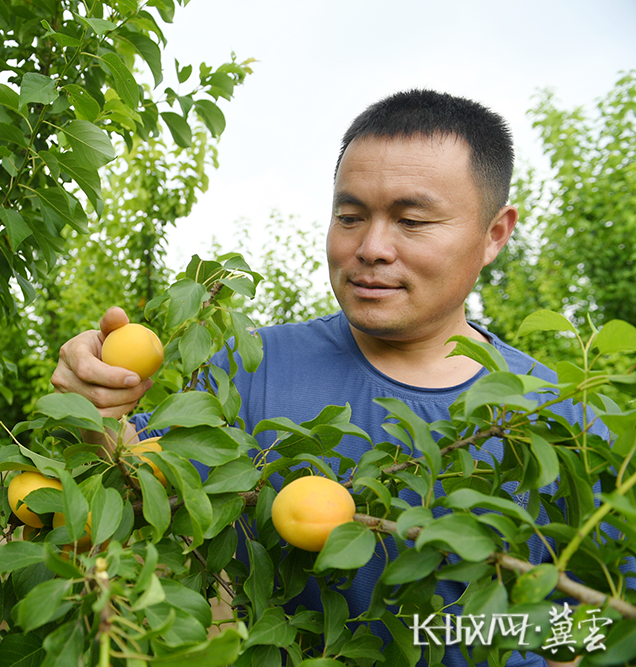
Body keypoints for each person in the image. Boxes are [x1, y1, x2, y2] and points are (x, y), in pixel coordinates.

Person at [51, 90, 593, 667]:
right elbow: (144, 484)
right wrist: (94, 413)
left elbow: (592, 626)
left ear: (494, 235)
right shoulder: (249, 367)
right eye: (350, 216)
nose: (371, 248)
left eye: (411, 221)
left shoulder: (561, 420)